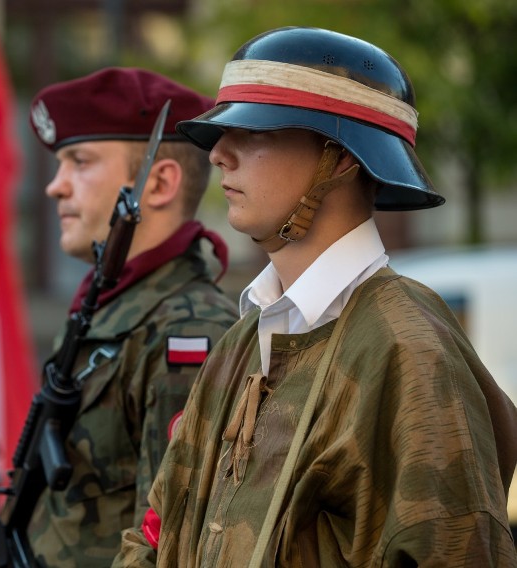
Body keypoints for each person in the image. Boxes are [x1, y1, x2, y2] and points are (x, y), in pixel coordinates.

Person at [115, 26, 517, 567]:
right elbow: (157, 535)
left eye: (256, 134)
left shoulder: (410, 351)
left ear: (343, 159)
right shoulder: (242, 342)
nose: (219, 155)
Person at [25, 67, 239, 567]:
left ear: (160, 183)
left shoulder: (186, 332)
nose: (56, 186)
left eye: (79, 162)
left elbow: (170, 542)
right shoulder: (108, 308)